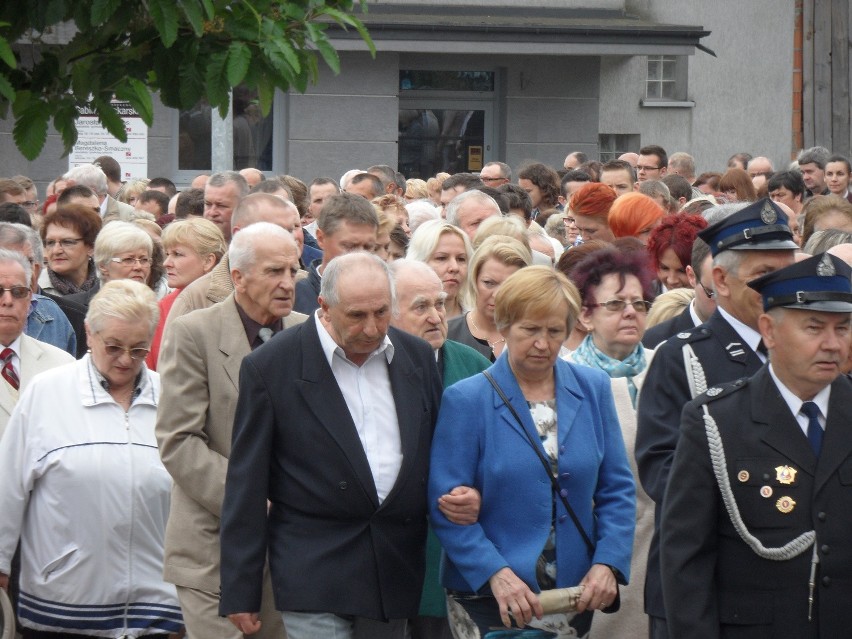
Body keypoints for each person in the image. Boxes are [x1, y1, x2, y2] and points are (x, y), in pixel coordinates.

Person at [218, 252, 447, 639]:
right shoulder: (273, 366)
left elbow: (438, 450)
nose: (372, 328)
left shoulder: (416, 357)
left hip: (394, 561)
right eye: (357, 316)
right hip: (314, 565)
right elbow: (246, 482)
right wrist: (241, 589)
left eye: (381, 312)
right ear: (324, 307)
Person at [429, 266, 635, 639]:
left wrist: (608, 562)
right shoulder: (467, 400)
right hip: (493, 597)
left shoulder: (593, 388)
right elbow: (447, 509)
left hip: (573, 594)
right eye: (530, 329)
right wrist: (496, 574)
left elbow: (617, 490)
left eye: (555, 331)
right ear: (504, 326)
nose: (543, 343)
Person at [661, 252, 852, 637]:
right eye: (814, 328)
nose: (833, 344)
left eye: (844, 328)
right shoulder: (716, 421)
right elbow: (686, 561)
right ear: (769, 330)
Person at [635, 198, 798, 639]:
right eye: (765, 275)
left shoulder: (805, 355)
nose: (780, 286)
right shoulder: (682, 358)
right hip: (708, 589)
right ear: (721, 280)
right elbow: (662, 471)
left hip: (793, 589)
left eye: (789, 271)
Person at [0, 279, 183, 637]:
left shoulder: (170, 398)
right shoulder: (48, 392)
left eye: (139, 349)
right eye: (113, 347)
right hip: (64, 603)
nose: (125, 360)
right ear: (89, 333)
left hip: (156, 605)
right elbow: (9, 485)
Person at [156, 223, 306, 639]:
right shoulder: (194, 332)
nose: (287, 283)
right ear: (237, 277)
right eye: (275, 271)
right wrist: (250, 499)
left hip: (290, 554)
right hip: (212, 548)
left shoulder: (307, 333)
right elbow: (178, 440)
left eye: (293, 272)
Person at [388, 259, 490, 639]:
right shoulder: (369, 370)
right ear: (388, 311)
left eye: (441, 304)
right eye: (420, 307)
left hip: (457, 550)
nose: (435, 317)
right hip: (389, 557)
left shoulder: (475, 368)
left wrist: (481, 491)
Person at [566, 248, 657, 638]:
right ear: (585, 315)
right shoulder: (563, 376)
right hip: (594, 559)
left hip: (662, 553)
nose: (631, 312)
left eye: (639, 303)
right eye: (616, 304)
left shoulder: (668, 368)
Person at [146, 217, 226, 370]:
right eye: (167, 254)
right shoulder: (160, 309)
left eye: (177, 254)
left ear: (208, 261)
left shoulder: (237, 303)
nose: (166, 263)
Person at [446, 236, 531, 361]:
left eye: (509, 286)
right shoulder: (447, 334)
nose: (497, 295)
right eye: (489, 283)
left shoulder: (534, 338)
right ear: (474, 280)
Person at [294, 192, 379, 314]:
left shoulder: (385, 295)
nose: (360, 256)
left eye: (368, 247)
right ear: (321, 238)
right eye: (350, 246)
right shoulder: (294, 298)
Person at [643, 238, 717, 347]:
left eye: (734, 293)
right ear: (691, 275)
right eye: (713, 293)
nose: (671, 280)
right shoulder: (654, 342)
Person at [66, 220, 154, 310]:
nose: (138, 267)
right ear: (103, 265)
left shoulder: (154, 309)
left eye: (144, 260)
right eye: (128, 260)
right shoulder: (70, 308)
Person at [406, 219, 473, 320]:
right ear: (418, 261)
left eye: (461, 259)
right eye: (441, 258)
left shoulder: (479, 322)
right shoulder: (400, 322)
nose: (454, 267)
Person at [38, 204, 103, 296]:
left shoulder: (108, 283)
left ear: (91, 247)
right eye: (50, 243)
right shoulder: (35, 290)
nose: (56, 251)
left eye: (67, 242)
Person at [646, 212, 708, 292]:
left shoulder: (717, 300)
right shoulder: (646, 296)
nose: (671, 280)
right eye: (665, 268)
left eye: (682, 271)